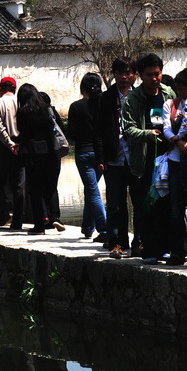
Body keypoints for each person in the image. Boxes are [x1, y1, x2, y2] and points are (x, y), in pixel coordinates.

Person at [122, 53, 175, 263]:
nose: (155, 78)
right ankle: (149, 249)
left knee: (165, 204)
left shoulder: (167, 93)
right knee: (145, 205)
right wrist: (148, 134)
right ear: (140, 76)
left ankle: (165, 247)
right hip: (142, 162)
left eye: (158, 73)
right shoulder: (132, 99)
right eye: (150, 75)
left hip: (167, 160)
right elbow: (128, 129)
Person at [97, 58, 139, 258]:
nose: (124, 77)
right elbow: (99, 132)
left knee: (139, 202)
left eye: (128, 73)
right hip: (114, 158)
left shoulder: (139, 96)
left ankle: (139, 241)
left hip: (136, 158)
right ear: (113, 74)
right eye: (120, 72)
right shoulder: (105, 98)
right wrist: (101, 157)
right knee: (115, 204)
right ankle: (117, 243)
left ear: (134, 75)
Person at [162, 68, 187, 265]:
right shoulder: (171, 105)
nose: (179, 92)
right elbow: (165, 129)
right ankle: (178, 251)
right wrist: (179, 142)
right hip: (177, 162)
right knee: (176, 209)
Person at [15, 84, 62, 235]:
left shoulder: (23, 112)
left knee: (35, 190)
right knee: (50, 187)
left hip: (33, 154)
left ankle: (39, 224)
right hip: (51, 153)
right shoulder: (48, 109)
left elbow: (23, 133)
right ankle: (55, 217)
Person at [67, 72, 107, 243]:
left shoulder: (76, 106)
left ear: (83, 87)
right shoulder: (104, 104)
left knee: (92, 191)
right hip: (101, 154)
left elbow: (72, 133)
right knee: (90, 189)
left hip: (83, 152)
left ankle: (104, 229)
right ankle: (87, 227)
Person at [0, 76, 25, 229]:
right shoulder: (21, 102)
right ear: (14, 88)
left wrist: (9, 143)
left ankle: (3, 212)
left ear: (1, 89)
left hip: (3, 146)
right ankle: (18, 218)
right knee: (18, 183)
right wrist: (17, 144)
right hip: (19, 145)